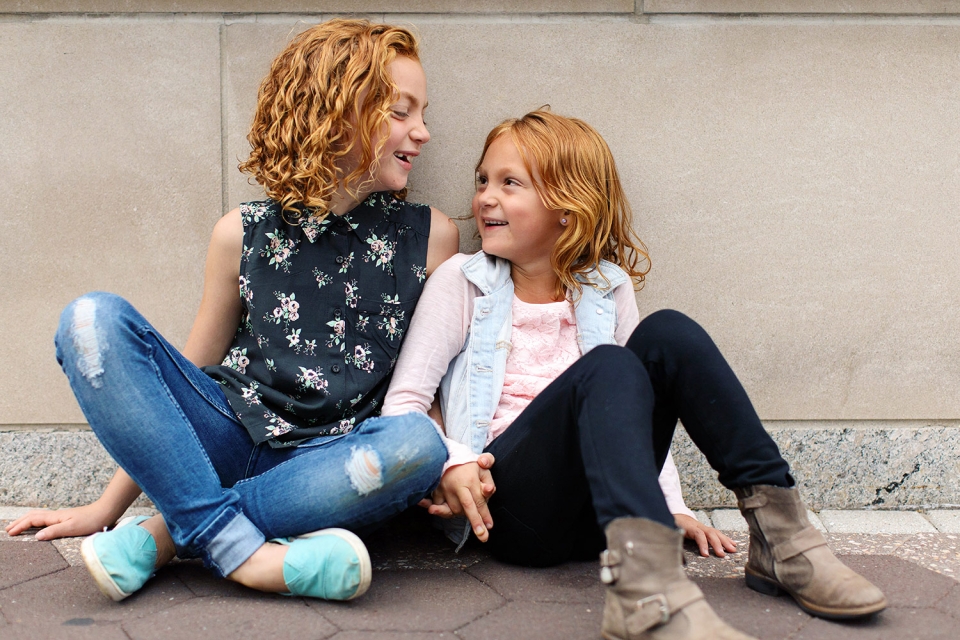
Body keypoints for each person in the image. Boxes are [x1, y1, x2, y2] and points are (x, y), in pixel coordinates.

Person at [381, 109, 887, 639]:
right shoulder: (460, 283)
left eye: (510, 183)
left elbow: (630, 409)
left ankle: (785, 542)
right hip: (511, 510)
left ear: (568, 207)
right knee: (609, 365)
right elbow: (404, 404)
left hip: (604, 521)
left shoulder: (609, 287)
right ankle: (649, 599)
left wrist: (672, 506)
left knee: (669, 334)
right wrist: (453, 461)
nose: (486, 196)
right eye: (483, 180)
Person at [5, 19, 459, 603]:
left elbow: (427, 381)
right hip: (227, 434)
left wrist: (448, 462)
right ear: (333, 113)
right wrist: (104, 508)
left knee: (420, 443)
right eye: (400, 112)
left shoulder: (430, 239)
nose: (423, 132)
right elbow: (187, 374)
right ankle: (247, 555)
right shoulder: (240, 233)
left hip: (330, 465)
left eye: (423, 112)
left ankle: (169, 535)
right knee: (90, 320)